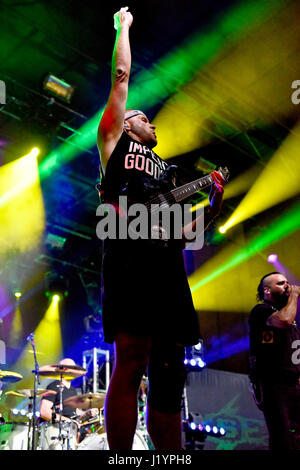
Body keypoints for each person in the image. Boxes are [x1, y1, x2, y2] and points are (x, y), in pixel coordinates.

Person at [97, 7, 225, 450]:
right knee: (131, 359)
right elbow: (120, 76)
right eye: (145, 118)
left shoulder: (169, 174)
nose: (153, 124)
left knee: (169, 375)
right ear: (127, 124)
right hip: (130, 258)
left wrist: (212, 206)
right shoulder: (113, 142)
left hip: (168, 268)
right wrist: (123, 28)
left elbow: (187, 228)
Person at [248, 272, 300, 450]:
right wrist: (294, 295)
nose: (287, 285)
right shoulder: (261, 311)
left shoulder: (290, 319)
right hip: (274, 384)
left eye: (287, 282)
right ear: (267, 290)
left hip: (294, 384)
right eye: (280, 283)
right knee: (282, 438)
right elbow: (284, 320)